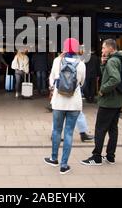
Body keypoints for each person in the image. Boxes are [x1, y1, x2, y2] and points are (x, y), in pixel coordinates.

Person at [81, 39, 122, 166]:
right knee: (113, 129)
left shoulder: (112, 61)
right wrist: (102, 64)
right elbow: (109, 75)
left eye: (103, 48)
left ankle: (96, 157)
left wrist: (102, 90)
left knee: (100, 129)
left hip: (108, 102)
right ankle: (110, 156)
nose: (102, 50)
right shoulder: (119, 59)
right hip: (117, 101)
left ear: (111, 48)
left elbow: (115, 79)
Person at [45, 38, 86, 174]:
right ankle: (64, 165)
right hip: (74, 103)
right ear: (76, 49)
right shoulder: (81, 64)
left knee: (57, 130)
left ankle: (53, 158)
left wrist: (54, 86)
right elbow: (81, 82)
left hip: (58, 102)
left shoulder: (57, 61)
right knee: (69, 132)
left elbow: (51, 80)